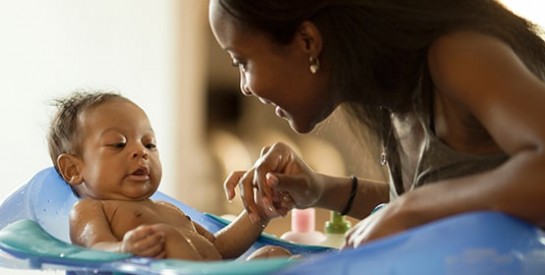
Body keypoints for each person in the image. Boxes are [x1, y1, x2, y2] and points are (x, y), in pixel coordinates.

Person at [208, 0, 545, 249]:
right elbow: (455, 196)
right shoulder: (397, 94)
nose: (245, 86)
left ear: (308, 42)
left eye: (243, 62)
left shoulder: (459, 54)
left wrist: (415, 209)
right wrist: (320, 189)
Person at [47, 91, 291, 260]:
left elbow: (218, 248)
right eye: (118, 144)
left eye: (149, 144)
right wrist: (124, 248)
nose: (140, 152)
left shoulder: (167, 209)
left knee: (275, 255)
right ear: (74, 169)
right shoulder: (91, 209)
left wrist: (259, 212)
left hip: (214, 271)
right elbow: (95, 248)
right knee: (164, 236)